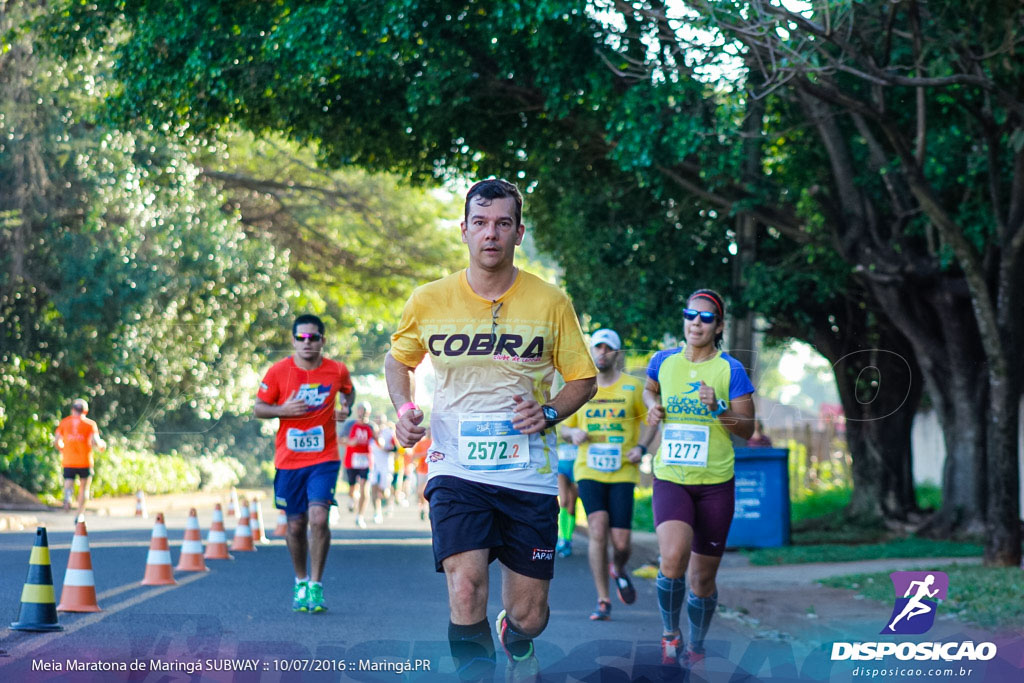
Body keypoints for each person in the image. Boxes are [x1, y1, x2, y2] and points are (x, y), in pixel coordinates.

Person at [385, 179, 597, 681]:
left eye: (503, 223)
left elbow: (583, 380)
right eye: (480, 223)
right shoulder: (429, 299)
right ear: (463, 230)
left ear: (518, 232)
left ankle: (516, 638)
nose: (491, 234)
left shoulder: (550, 302)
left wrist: (547, 413)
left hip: (529, 471)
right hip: (456, 466)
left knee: (531, 615)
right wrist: (403, 407)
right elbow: (399, 361)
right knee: (466, 585)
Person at [643, 289, 755, 668]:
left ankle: (699, 642)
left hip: (715, 483)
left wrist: (718, 407)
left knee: (702, 580)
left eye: (706, 318)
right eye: (691, 315)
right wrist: (652, 409)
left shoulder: (730, 370)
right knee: (672, 557)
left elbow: (748, 428)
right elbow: (650, 389)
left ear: (719, 326)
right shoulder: (663, 361)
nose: (696, 322)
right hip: (671, 475)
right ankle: (670, 636)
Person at [255, 314, 354, 613]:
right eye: (301, 337)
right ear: (293, 340)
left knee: (319, 518)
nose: (307, 343)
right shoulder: (278, 371)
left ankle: (316, 585)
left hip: (323, 458)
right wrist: (283, 409)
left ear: (323, 340)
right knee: (295, 525)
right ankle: (300, 580)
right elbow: (259, 408)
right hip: (289, 460)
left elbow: (348, 391)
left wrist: (345, 408)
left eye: (313, 338)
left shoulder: (336, 370)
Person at [559, 328, 651, 622]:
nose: (601, 352)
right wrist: (573, 432)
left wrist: (641, 447)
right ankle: (602, 599)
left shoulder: (633, 388)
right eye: (597, 348)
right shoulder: (581, 388)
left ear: (617, 354)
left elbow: (652, 421)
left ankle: (619, 567)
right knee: (597, 528)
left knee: (622, 543)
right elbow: (561, 425)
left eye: (607, 348)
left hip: (623, 470)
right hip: (588, 468)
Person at [54, 399, 106, 518]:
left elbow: (57, 441)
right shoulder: (90, 424)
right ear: (85, 411)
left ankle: (68, 497)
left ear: (72, 409)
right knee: (84, 488)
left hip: (69, 461)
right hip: (85, 462)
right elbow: (97, 442)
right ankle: (79, 514)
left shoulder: (64, 422)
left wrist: (63, 448)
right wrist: (102, 445)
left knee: (68, 483)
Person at [344, 402, 376, 528]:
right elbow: (340, 439)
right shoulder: (349, 425)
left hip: (366, 460)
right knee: (352, 489)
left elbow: (378, 439)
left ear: (369, 412)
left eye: (365, 411)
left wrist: (381, 441)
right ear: (357, 411)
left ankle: (360, 516)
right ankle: (353, 498)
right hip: (351, 460)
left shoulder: (371, 426)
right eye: (361, 410)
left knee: (364, 487)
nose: (362, 413)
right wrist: (350, 442)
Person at [554, 436, 578, 558]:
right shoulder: (562, 431)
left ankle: (568, 539)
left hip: (576, 471)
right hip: (561, 470)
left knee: (571, 507)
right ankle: (561, 537)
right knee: (563, 501)